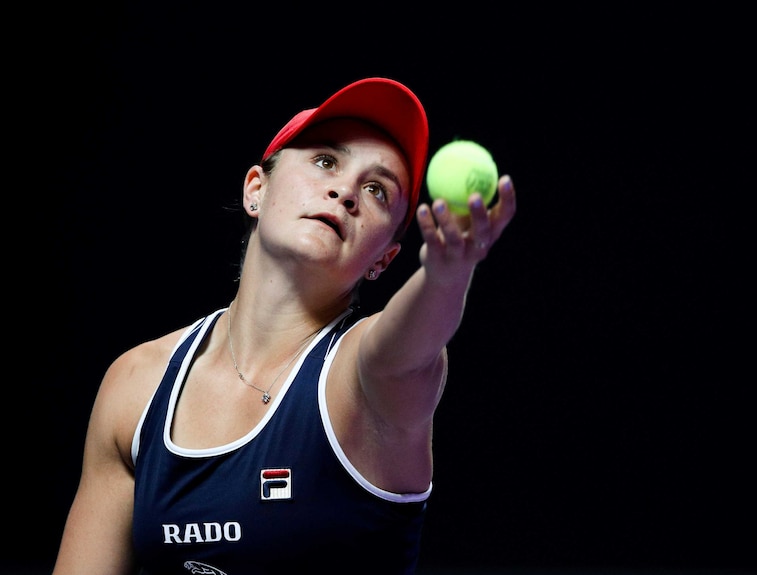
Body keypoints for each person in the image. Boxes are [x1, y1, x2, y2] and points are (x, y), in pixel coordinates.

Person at [53, 77, 516, 574]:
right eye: (325, 161)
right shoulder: (135, 385)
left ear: (384, 259)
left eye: (378, 190)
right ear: (257, 188)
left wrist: (446, 275)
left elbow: (412, 343)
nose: (345, 191)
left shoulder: (368, 379)